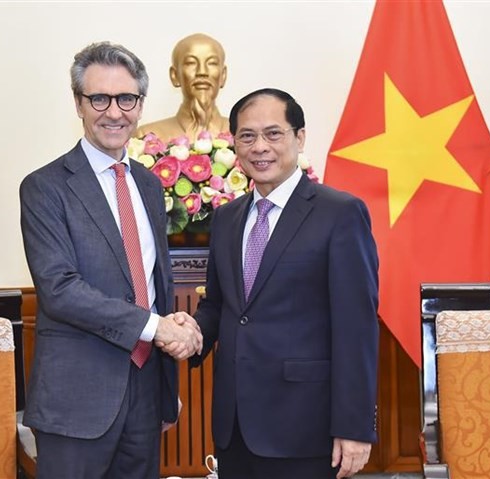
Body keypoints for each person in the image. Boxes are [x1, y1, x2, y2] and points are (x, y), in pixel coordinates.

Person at [163, 88, 379, 479]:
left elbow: (357, 327)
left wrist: (354, 426)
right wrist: (193, 331)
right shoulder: (227, 218)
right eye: (247, 136)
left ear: (299, 137)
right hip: (235, 426)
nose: (259, 147)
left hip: (306, 427)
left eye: (273, 134)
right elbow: (220, 305)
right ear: (234, 144)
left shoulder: (340, 213)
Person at [19, 41, 202, 479]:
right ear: (79, 104)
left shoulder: (149, 185)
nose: (114, 112)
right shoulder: (45, 188)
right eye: (99, 98)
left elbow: (153, 283)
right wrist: (158, 327)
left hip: (144, 391)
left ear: (139, 106)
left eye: (126, 99)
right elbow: (60, 290)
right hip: (77, 399)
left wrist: (166, 377)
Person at [136, 33, 229, 142]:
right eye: (191, 63)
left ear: (223, 75)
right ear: (174, 75)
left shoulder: (242, 136)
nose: (202, 72)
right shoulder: (147, 138)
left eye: (212, 63)